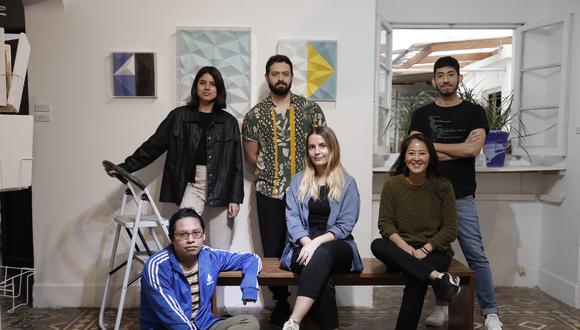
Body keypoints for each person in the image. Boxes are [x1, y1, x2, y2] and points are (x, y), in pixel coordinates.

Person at [409, 56, 502, 330]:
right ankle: (442, 307)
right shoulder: (421, 114)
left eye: (451, 74)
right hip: (428, 195)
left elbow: (473, 150)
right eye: (440, 75)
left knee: (475, 254)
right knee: (438, 255)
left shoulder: (475, 112)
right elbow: (415, 152)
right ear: (433, 80)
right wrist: (454, 148)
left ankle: (491, 313)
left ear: (459, 78)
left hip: (461, 195)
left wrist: (432, 149)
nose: (446, 80)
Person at [107, 66, 243, 250]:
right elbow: (153, 145)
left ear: (219, 89)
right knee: (185, 237)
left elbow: (236, 163)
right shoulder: (179, 116)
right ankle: (184, 278)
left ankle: (215, 279)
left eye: (212, 84)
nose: (207, 87)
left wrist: (235, 198)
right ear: (196, 87)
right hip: (192, 186)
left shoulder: (229, 122)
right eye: (202, 83)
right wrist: (125, 167)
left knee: (221, 247)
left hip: (222, 187)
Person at [242, 54, 326, 324]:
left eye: (285, 73)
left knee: (308, 244)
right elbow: (252, 156)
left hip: (307, 191)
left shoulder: (310, 110)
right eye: (275, 73)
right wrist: (274, 172)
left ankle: (309, 298)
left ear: (291, 77)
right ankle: (280, 302)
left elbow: (322, 147)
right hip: (269, 192)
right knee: (273, 248)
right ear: (267, 77)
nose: (280, 78)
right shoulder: (254, 115)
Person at [371, 134, 459, 330]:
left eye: (422, 153)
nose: (416, 158)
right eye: (411, 153)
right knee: (377, 245)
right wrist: (407, 250)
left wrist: (425, 250)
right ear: (404, 157)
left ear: (430, 157)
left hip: (434, 252)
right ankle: (439, 278)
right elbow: (385, 224)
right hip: (402, 251)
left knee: (416, 277)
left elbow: (450, 229)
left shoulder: (443, 187)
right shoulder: (393, 184)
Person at [279, 126, 362, 330]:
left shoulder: (348, 183)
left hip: (337, 246)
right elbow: (293, 220)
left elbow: (345, 225)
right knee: (322, 278)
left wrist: (315, 243)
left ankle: (294, 321)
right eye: (312, 147)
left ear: (332, 148)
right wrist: (307, 242)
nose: (317, 151)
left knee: (322, 254)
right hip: (302, 245)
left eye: (322, 146)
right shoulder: (298, 181)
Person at [140, 208, 261, 329]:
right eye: (183, 235)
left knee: (249, 322)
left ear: (203, 235)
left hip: (204, 325)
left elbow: (251, 258)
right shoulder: (157, 266)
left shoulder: (210, 256)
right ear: (172, 238)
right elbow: (174, 321)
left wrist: (249, 285)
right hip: (171, 328)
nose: (191, 240)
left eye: (196, 233)